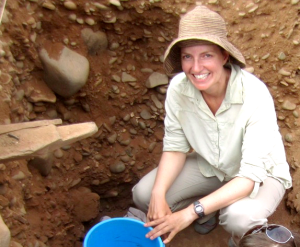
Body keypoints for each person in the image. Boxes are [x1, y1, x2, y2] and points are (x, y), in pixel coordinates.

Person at [132, 4, 292, 247]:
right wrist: (157, 194)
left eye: (206, 55)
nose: (196, 68)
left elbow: (248, 177)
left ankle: (238, 238)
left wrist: (188, 213)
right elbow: (175, 147)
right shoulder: (179, 89)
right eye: (188, 56)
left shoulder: (254, 94)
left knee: (238, 217)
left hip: (261, 174)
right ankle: (207, 210)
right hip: (213, 166)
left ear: (224, 56)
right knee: (144, 194)